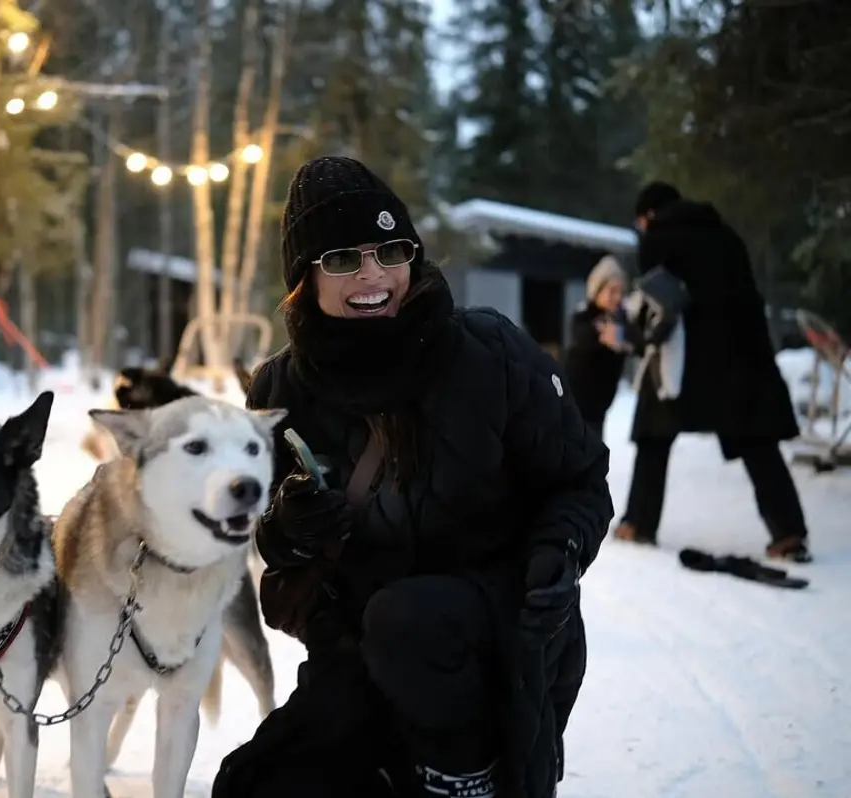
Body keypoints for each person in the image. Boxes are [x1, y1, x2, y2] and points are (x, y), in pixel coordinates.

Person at [210, 156, 613, 798]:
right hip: (362, 655)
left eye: (389, 250)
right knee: (252, 786)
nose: (373, 275)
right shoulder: (280, 389)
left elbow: (581, 481)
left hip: (495, 636)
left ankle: (466, 777)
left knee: (409, 617)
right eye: (343, 259)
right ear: (304, 279)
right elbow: (271, 550)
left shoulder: (490, 355)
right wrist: (287, 529)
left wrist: (557, 554)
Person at [614, 181, 811, 562]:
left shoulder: (658, 238)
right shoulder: (725, 235)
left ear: (649, 214)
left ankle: (638, 523)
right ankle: (788, 533)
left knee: (653, 435)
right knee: (758, 444)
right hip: (741, 358)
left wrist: (634, 334)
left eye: (640, 221)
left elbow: (660, 307)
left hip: (684, 359)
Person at [564, 255, 631, 437]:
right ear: (597, 290)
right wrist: (602, 333)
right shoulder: (584, 315)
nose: (617, 297)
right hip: (575, 401)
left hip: (599, 406)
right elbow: (583, 336)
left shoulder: (622, 319)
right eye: (611, 291)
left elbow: (634, 342)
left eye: (620, 291)